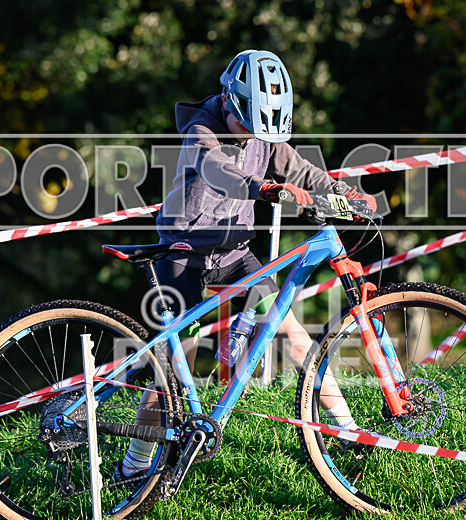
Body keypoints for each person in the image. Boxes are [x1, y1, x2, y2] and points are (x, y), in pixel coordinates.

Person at [114, 50, 377, 482]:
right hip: (184, 255)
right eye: (248, 127)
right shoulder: (202, 131)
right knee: (174, 368)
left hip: (236, 255)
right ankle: (135, 465)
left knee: (293, 334)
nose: (255, 138)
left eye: (263, 133)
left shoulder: (264, 137)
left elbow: (305, 171)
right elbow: (218, 171)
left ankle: (348, 433)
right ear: (230, 103)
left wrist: (345, 194)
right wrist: (264, 187)